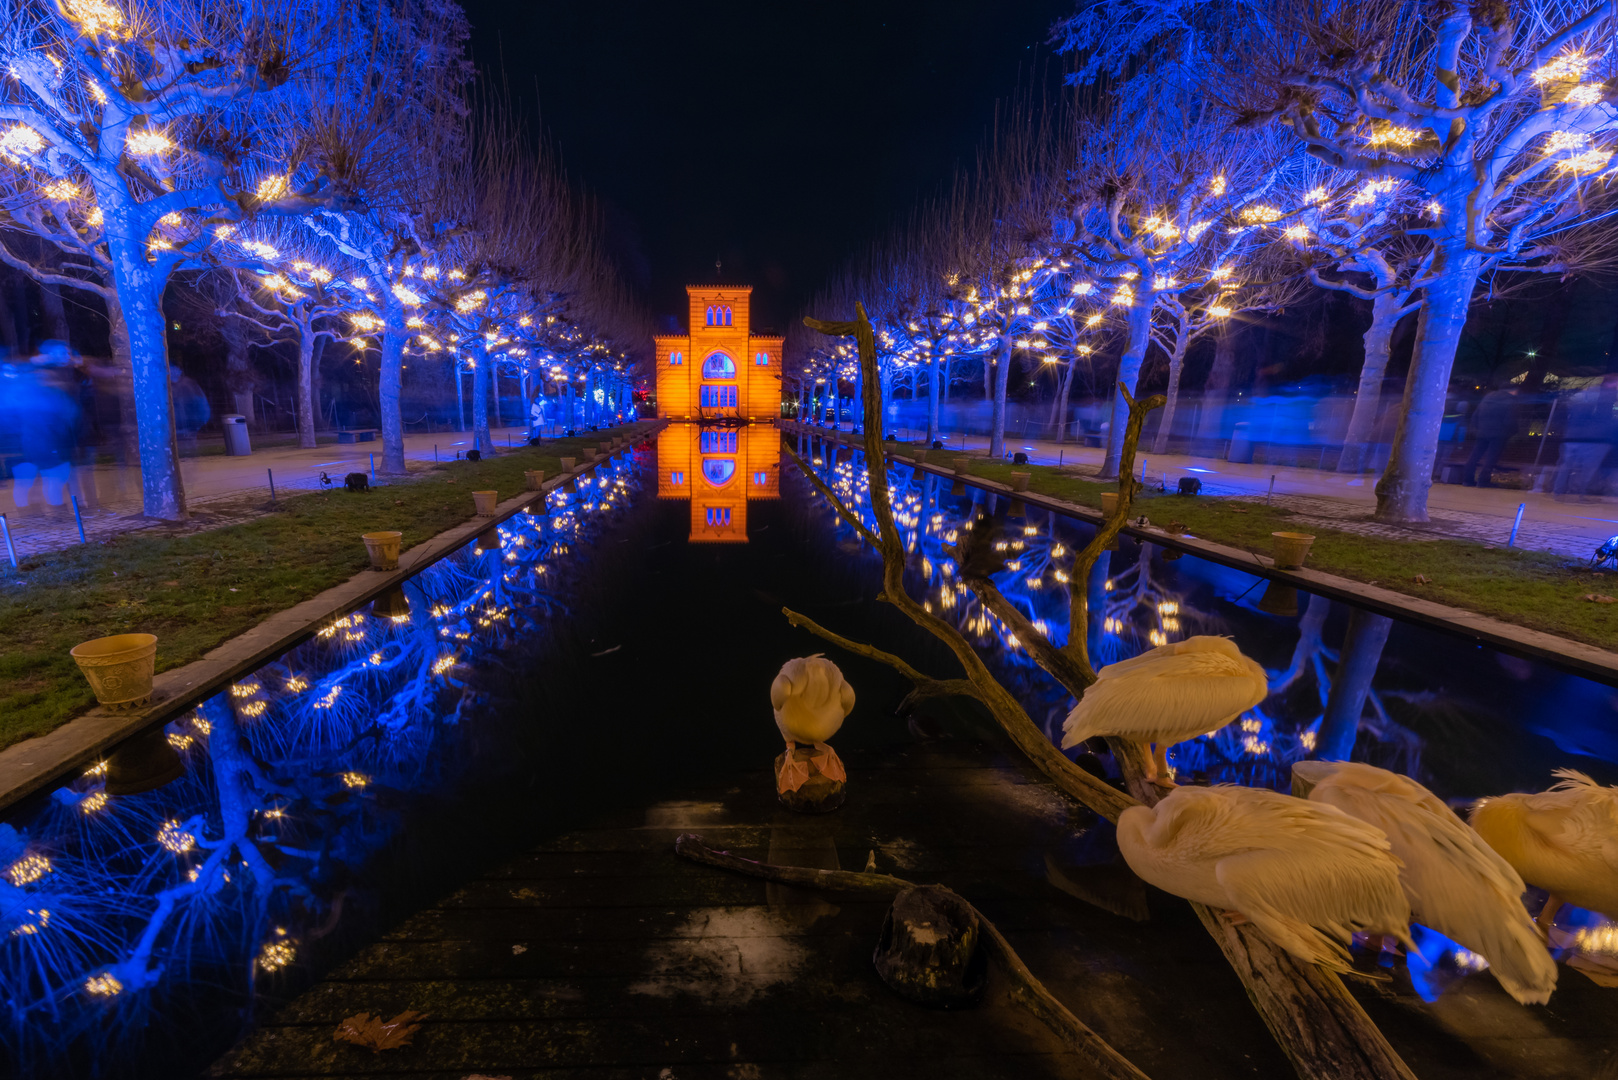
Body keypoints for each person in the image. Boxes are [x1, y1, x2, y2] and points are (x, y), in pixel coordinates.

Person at [1551, 375, 1618, 500]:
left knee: (1566, 465)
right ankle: (1577, 494)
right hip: (1594, 438)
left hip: (1572, 436)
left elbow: (1567, 414)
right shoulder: (1608, 396)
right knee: (1587, 468)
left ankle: (1558, 492)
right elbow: (1605, 419)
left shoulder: (1582, 395)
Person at [1461, 384, 1519, 487]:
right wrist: (1511, 432)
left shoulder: (1487, 398)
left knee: (1474, 456)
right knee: (1491, 458)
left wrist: (1477, 429)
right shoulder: (1510, 401)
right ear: (1513, 391)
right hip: (1499, 434)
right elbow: (1510, 421)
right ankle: (1483, 481)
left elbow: (1475, 415)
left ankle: (1467, 479)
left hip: (1482, 432)